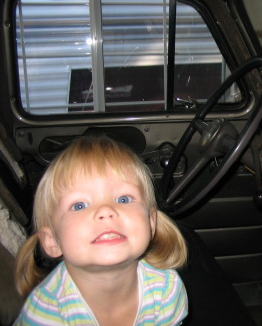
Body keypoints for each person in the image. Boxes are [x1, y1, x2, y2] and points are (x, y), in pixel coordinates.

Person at [13, 136, 188, 326]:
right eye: (79, 205)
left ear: (151, 222)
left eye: (123, 199)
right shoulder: (44, 313)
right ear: (52, 241)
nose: (106, 211)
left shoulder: (167, 290)